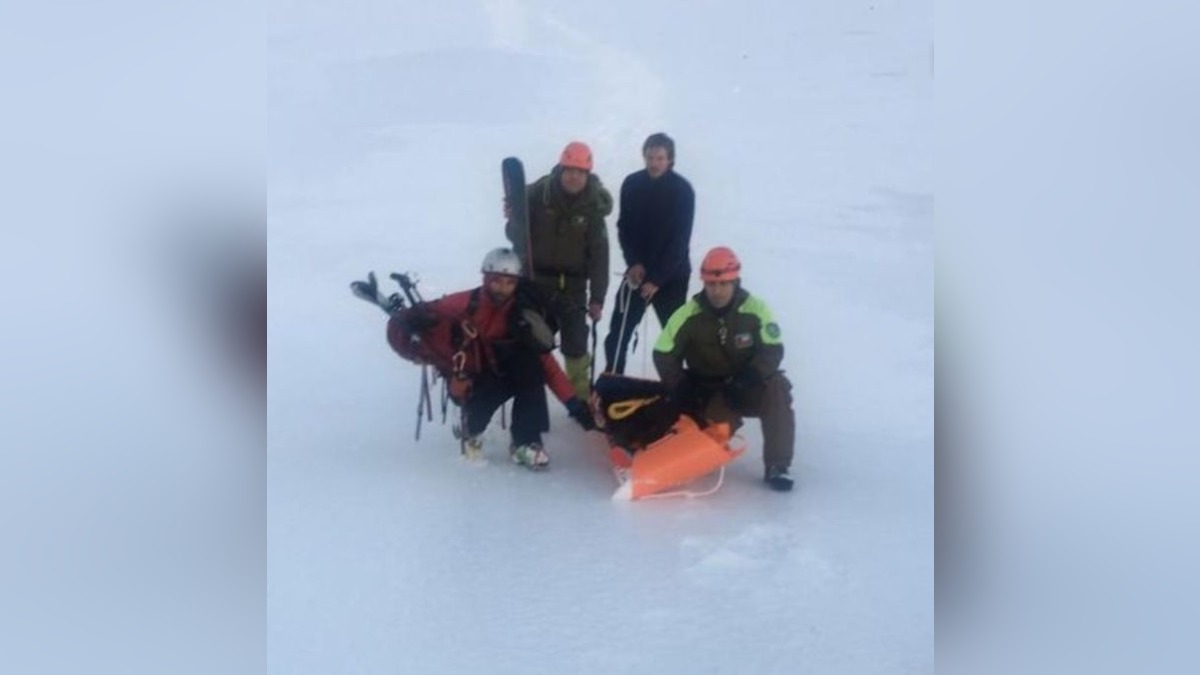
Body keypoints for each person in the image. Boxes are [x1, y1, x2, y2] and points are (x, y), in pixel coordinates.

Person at [387, 247, 595, 469]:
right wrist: (408, 337)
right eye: (496, 281)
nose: (502, 289)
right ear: (485, 278)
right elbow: (403, 327)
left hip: (507, 371)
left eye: (509, 282)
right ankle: (472, 429)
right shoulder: (462, 304)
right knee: (479, 412)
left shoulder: (521, 312)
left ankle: (525, 443)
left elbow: (545, 362)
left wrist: (573, 404)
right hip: (474, 376)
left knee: (531, 367)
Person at [651, 246, 796, 491]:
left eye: (723, 284)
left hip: (747, 386)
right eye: (710, 285)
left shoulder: (756, 310)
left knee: (777, 386)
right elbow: (663, 353)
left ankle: (778, 465)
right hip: (712, 393)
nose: (716, 291)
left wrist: (751, 376)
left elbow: (773, 348)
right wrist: (681, 386)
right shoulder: (687, 315)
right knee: (705, 451)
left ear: (735, 282)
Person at [506, 141, 612, 399]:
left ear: (587, 174)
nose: (574, 176)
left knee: (576, 344)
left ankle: (580, 399)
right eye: (569, 170)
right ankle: (526, 394)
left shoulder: (593, 210)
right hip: (535, 282)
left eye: (580, 171)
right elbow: (514, 234)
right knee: (530, 340)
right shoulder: (538, 193)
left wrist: (597, 297)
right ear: (561, 169)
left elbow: (600, 257)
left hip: (573, 288)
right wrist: (513, 215)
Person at [603, 132, 695, 374]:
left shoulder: (683, 191)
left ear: (670, 160)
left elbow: (680, 241)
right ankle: (612, 381)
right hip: (637, 273)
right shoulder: (632, 184)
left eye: (660, 158)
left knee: (675, 337)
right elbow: (625, 227)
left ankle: (678, 390)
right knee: (618, 332)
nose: (654, 163)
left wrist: (657, 279)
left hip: (672, 276)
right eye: (650, 157)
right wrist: (633, 263)